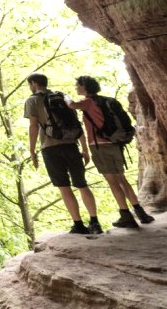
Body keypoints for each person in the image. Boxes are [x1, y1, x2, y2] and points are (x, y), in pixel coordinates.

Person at [72, 75, 155, 228]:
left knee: (113, 182)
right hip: (115, 144)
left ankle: (125, 215)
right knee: (122, 180)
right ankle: (140, 212)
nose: (76, 88)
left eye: (77, 85)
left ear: (84, 86)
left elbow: (71, 105)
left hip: (100, 146)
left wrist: (62, 97)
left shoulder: (87, 102)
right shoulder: (105, 101)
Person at [25, 73, 102, 235]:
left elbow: (33, 126)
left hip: (50, 147)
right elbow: (75, 123)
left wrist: (32, 150)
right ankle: (95, 222)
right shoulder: (62, 97)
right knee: (82, 184)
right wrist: (84, 148)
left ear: (33, 83)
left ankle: (78, 224)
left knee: (64, 187)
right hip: (71, 145)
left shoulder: (32, 100)